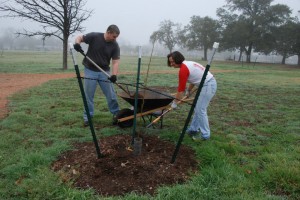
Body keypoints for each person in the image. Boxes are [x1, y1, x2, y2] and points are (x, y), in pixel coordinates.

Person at [73, 24, 120, 127]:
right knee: (89, 95)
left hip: (105, 72)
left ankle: (117, 115)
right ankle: (88, 118)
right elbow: (80, 37)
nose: (115, 39)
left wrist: (114, 75)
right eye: (114, 36)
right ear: (108, 32)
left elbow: (115, 62)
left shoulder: (115, 45)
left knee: (111, 95)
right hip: (90, 70)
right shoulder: (94, 36)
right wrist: (77, 44)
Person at [167, 51, 217, 141]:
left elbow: (180, 90)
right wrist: (189, 91)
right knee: (197, 108)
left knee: (200, 109)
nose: (171, 64)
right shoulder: (187, 64)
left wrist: (175, 102)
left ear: (178, 59)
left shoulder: (183, 69)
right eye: (170, 62)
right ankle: (193, 130)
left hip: (208, 85)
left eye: (173, 61)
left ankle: (205, 135)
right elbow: (194, 79)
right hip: (206, 84)